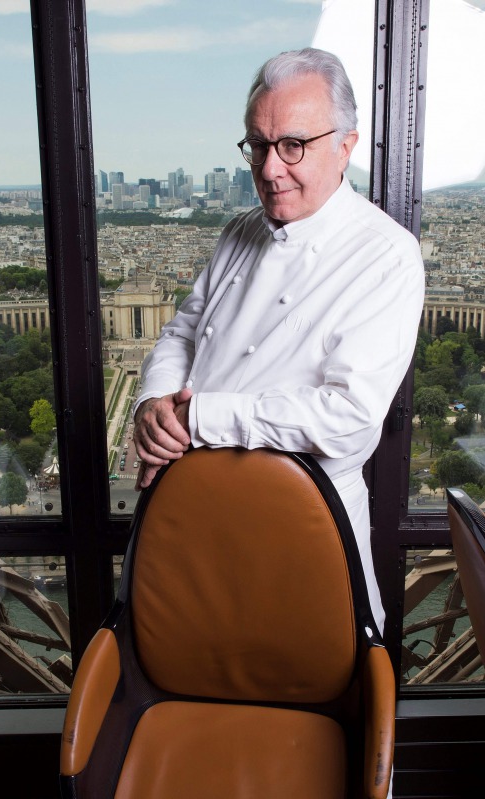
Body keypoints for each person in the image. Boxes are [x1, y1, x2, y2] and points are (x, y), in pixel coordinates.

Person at [132, 47, 425, 635]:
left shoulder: (387, 255)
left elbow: (349, 418)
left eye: (293, 145)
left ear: (346, 146)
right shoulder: (240, 230)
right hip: (188, 515)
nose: (269, 169)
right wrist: (154, 401)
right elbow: (184, 330)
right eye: (258, 146)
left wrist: (198, 419)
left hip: (302, 530)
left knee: (306, 671)